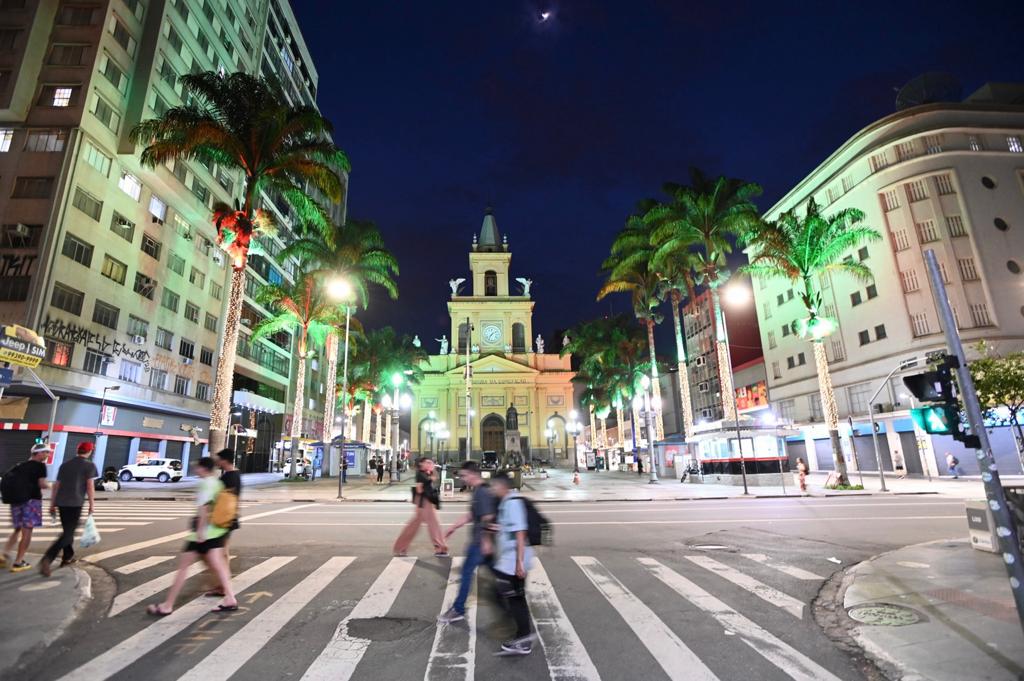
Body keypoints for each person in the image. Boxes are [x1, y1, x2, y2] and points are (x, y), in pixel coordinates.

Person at [147, 457, 236, 615]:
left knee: (183, 569)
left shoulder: (206, 484)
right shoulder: (217, 482)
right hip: (217, 531)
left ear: (203, 468)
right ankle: (230, 598)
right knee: (219, 566)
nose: (196, 470)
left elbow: (204, 508)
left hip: (202, 534)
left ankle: (168, 605)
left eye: (197, 467)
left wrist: (200, 532)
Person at [438, 461, 497, 624]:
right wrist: (452, 528)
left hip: (480, 543)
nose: (462, 479)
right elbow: (472, 515)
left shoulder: (482, 492)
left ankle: (458, 609)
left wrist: (486, 541)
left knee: (466, 573)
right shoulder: (478, 490)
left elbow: (487, 517)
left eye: (464, 476)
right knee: (499, 576)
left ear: (472, 474)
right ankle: (514, 603)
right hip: (482, 543)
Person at [487, 471, 534, 655]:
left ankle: (524, 638)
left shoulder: (512, 502)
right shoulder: (507, 502)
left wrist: (519, 563)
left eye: (494, 486)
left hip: (513, 559)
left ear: (501, 486)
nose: (492, 489)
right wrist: (498, 528)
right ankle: (523, 633)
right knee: (513, 597)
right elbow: (511, 527)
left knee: (512, 597)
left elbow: (521, 531)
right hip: (509, 559)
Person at [40, 442, 97, 577]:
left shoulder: (65, 465)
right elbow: (90, 486)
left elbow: (56, 485)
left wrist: (52, 503)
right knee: (68, 534)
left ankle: (67, 557)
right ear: (89, 452)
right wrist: (91, 504)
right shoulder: (89, 465)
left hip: (61, 503)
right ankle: (47, 558)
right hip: (75, 503)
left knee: (67, 531)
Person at [2, 443, 50, 572]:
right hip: (31, 501)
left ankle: (4, 553)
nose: (47, 455)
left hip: (16, 501)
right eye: (46, 452)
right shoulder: (40, 466)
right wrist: (51, 486)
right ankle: (18, 562)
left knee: (17, 528)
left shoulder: (20, 465)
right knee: (27, 531)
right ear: (38, 453)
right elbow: (42, 484)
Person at [392, 457, 448, 557]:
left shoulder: (426, 473)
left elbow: (436, 477)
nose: (430, 464)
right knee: (434, 525)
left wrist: (432, 470)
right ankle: (440, 548)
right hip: (424, 501)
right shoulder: (420, 474)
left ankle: (400, 548)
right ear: (421, 464)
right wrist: (430, 480)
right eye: (428, 462)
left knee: (414, 526)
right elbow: (419, 489)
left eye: (431, 462)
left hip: (424, 502)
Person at [205, 449, 241, 597]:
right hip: (229, 518)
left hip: (223, 519)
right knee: (223, 552)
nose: (218, 462)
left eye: (219, 459)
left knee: (219, 553)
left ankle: (222, 585)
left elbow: (219, 497)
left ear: (225, 460)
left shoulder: (229, 477)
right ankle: (223, 583)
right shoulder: (235, 475)